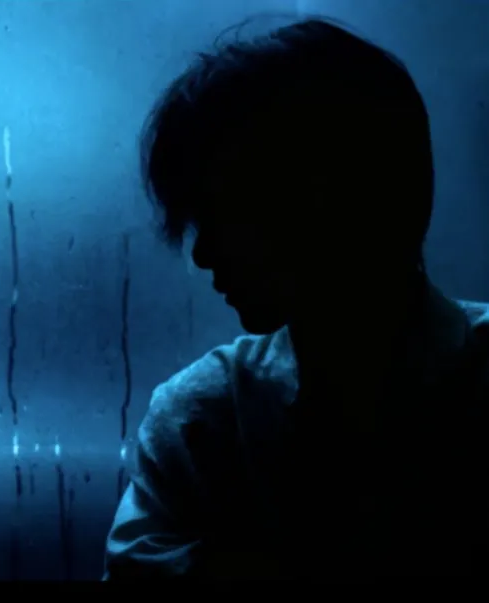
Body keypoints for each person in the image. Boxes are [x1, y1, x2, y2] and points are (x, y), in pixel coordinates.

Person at [103, 16, 489, 579]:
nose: (204, 254)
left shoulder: (207, 418)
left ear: (333, 198)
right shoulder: (201, 417)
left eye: (232, 213)